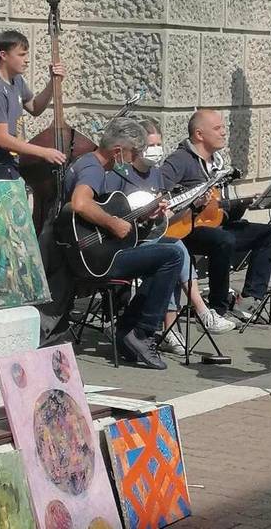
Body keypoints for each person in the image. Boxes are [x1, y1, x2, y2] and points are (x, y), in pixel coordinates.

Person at [103, 120, 237, 357]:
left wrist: (190, 205)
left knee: (175, 250)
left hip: (152, 235)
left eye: (159, 144)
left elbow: (165, 218)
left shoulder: (155, 174)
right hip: (126, 242)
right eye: (150, 145)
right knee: (175, 250)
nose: (155, 149)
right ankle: (200, 313)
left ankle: (175, 327)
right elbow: (111, 208)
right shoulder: (121, 174)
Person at [64, 117, 184, 369]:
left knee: (163, 256)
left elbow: (111, 210)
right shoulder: (93, 169)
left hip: (99, 250)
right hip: (96, 258)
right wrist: (112, 224)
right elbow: (80, 203)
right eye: (134, 153)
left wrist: (142, 216)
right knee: (171, 255)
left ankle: (129, 331)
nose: (134, 159)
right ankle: (140, 333)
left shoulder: (90, 164)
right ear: (118, 151)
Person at [160, 109, 271, 324]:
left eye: (223, 128)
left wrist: (243, 204)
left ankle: (248, 299)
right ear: (199, 134)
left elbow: (221, 210)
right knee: (224, 240)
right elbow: (161, 193)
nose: (224, 133)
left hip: (214, 224)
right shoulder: (179, 161)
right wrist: (194, 204)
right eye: (217, 128)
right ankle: (217, 306)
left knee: (268, 233)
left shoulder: (219, 163)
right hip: (187, 228)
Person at [0, 30, 67, 181]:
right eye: (21, 55)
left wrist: (54, 82)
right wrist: (44, 152)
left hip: (12, 163)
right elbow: (1, 138)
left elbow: (35, 108)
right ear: (3, 55)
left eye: (26, 54)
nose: (27, 60)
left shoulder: (17, 81)